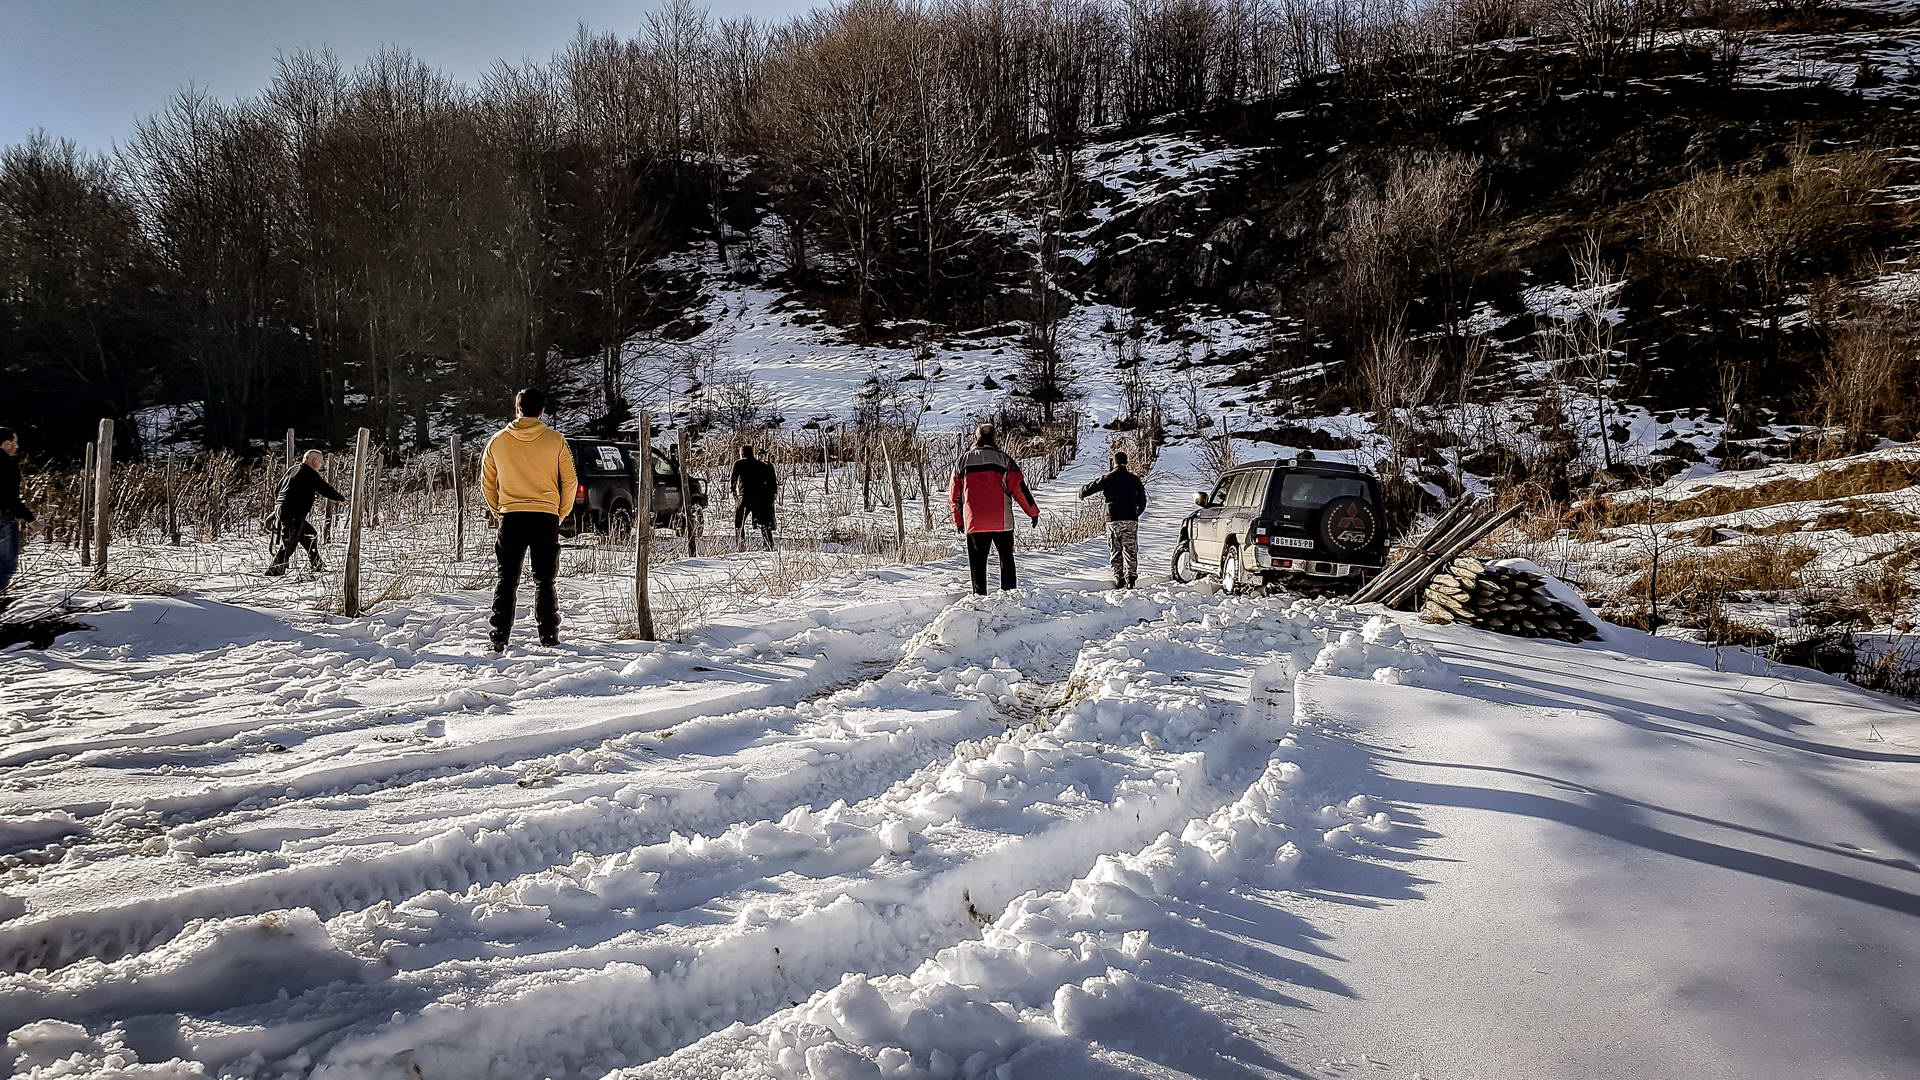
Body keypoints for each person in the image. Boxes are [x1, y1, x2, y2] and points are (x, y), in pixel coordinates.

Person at [481, 388, 577, 651]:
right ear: (542, 411)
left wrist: (498, 510)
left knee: (506, 578)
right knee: (545, 580)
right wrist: (560, 512)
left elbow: (487, 482)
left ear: (517, 408)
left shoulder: (497, 441)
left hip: (511, 515)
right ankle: (549, 635)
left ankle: (499, 635)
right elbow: (570, 481)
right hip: (545, 515)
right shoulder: (556, 440)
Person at [950, 423, 1040, 595]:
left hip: (975, 521)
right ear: (994, 437)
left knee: (977, 563)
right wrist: (1033, 512)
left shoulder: (962, 461)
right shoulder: (1004, 460)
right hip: (1002, 521)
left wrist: (958, 520)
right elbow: (1020, 489)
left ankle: (979, 597)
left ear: (976, 437)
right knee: (1006, 559)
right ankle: (1009, 595)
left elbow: (954, 495)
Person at [265, 449, 345, 576]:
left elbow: (278, 489)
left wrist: (278, 508)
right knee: (290, 542)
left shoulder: (293, 469)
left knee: (310, 534)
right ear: (314, 461)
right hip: (292, 512)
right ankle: (274, 570)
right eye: (321, 461)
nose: (322, 464)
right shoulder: (309, 473)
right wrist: (342, 499)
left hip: (284, 509)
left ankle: (316, 564)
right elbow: (324, 489)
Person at [1078, 450, 1148, 588]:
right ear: (1126, 462)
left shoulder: (1109, 478)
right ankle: (1131, 578)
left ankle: (1119, 577)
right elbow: (1142, 502)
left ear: (1113, 462)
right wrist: (1135, 514)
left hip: (1113, 518)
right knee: (1130, 549)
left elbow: (1090, 488)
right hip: (1130, 519)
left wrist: (1082, 492)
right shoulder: (1135, 480)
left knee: (1115, 548)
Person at [0, 426, 38, 595]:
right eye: (14, 442)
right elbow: (9, 498)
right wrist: (30, 519)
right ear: (6, 444)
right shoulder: (7, 465)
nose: (17, 446)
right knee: (6, 565)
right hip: (2, 518)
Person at [729, 445, 778, 551]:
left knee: (739, 523)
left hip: (744, 497)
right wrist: (770, 495)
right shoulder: (761, 465)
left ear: (742, 453)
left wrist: (733, 491)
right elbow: (769, 482)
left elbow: (733, 479)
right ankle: (769, 545)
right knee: (764, 523)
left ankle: (741, 546)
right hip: (759, 498)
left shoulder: (738, 463)